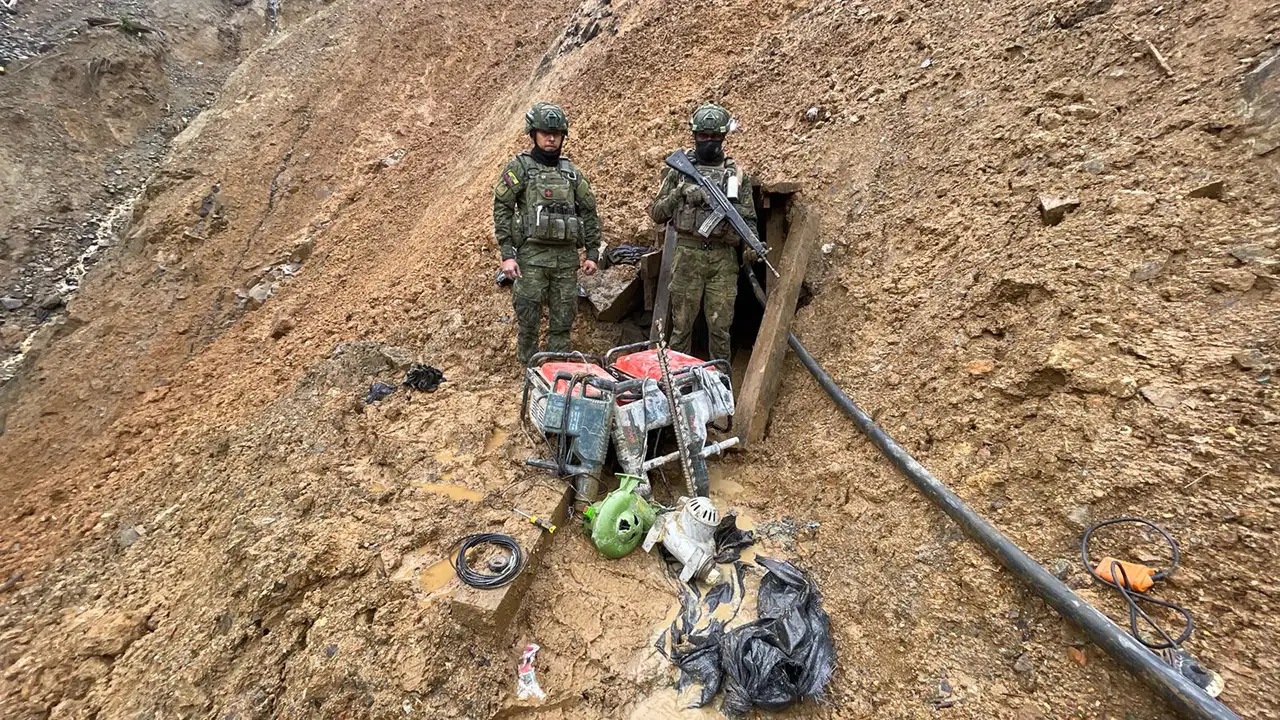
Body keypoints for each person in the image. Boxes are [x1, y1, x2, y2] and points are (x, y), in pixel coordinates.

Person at [493, 102, 601, 365]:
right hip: (531, 259)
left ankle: (556, 371)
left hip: (565, 261)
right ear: (533, 134)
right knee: (528, 319)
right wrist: (508, 254)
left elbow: (589, 211)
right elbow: (502, 208)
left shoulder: (571, 172)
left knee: (563, 321)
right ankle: (529, 370)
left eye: (556, 133)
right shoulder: (520, 168)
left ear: (563, 135)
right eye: (544, 133)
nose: (551, 138)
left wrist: (592, 252)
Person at [649, 103, 759, 361]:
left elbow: (749, 217)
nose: (708, 142)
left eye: (714, 137)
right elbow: (657, 212)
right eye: (703, 136)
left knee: (720, 332)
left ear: (723, 137)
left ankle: (720, 388)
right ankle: (676, 386)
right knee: (681, 328)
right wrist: (681, 192)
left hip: (723, 261)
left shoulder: (736, 174)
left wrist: (752, 245)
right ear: (694, 135)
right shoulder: (679, 171)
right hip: (687, 256)